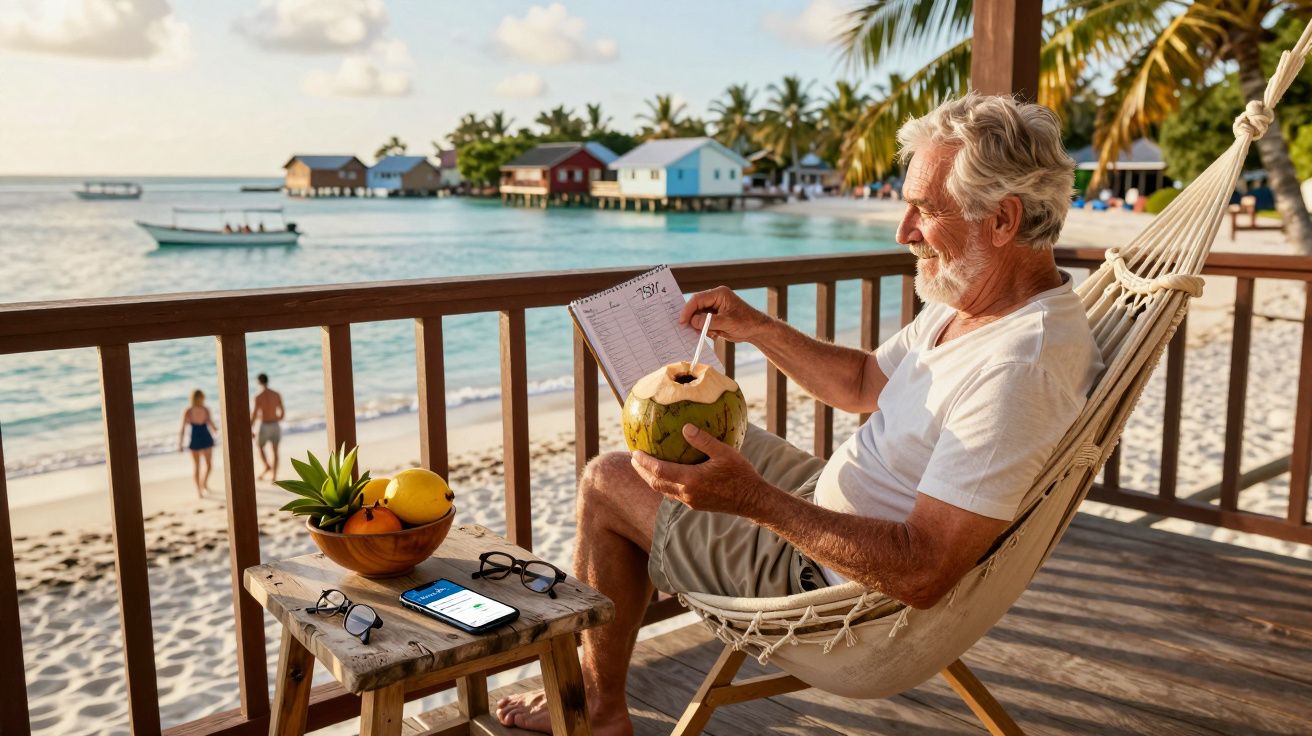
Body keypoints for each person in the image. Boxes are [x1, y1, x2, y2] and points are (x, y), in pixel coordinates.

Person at [493, 93, 1105, 733]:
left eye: (924, 210)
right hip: (829, 507)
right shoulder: (976, 303)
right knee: (678, 440)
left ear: (1003, 220)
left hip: (830, 589)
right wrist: (758, 328)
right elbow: (865, 381)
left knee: (608, 480)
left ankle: (599, 708)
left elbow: (923, 571)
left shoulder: (1017, 367)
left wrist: (754, 501)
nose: (904, 232)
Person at [178, 389, 217, 497]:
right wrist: (180, 444)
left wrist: (216, 430)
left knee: (209, 465)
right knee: (197, 466)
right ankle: (199, 490)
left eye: (202, 398)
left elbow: (211, 424)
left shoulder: (206, 409)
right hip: (195, 438)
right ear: (195, 399)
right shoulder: (188, 411)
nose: (201, 400)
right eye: (200, 398)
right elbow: (182, 428)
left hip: (206, 437)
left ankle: (204, 483)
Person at [250, 373, 285, 480]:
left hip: (264, 425)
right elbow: (282, 413)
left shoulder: (258, 396)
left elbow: (254, 414)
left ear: (259, 382)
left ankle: (267, 466)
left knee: (260, 447)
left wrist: (250, 427)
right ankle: (274, 476)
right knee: (275, 451)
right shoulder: (276, 394)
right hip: (275, 425)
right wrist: (276, 418)